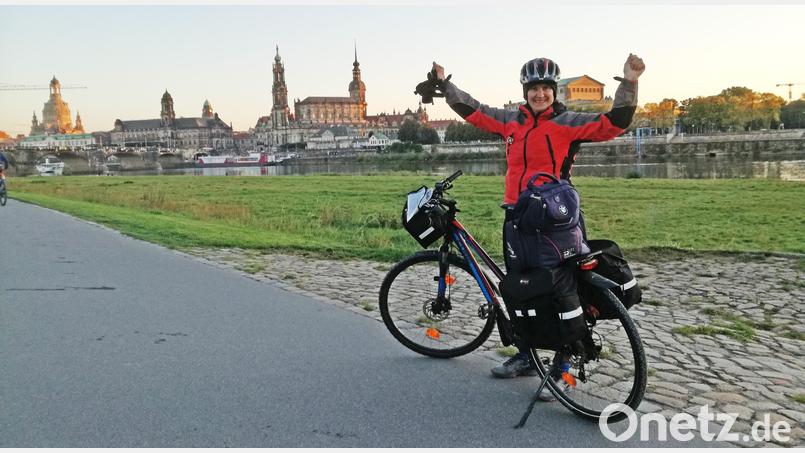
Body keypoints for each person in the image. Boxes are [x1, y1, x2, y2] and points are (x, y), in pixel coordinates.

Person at [432, 54, 645, 378]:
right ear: (525, 91)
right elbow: (474, 112)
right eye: (533, 89)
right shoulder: (510, 121)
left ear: (553, 92)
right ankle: (526, 354)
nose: (539, 94)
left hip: (558, 220)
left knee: (564, 288)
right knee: (519, 287)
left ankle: (565, 359)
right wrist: (446, 86)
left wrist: (630, 82)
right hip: (518, 217)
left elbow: (614, 123)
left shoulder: (569, 123)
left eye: (545, 88)